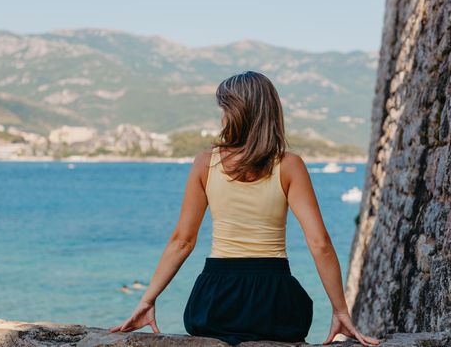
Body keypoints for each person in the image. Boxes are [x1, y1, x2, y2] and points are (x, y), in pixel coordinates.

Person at [109, 71, 380, 346]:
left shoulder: (205, 163)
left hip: (214, 302)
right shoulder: (289, 165)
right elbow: (319, 243)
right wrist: (340, 310)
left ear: (234, 112)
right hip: (274, 303)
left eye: (224, 110)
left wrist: (147, 300)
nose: (222, 117)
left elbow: (182, 241)